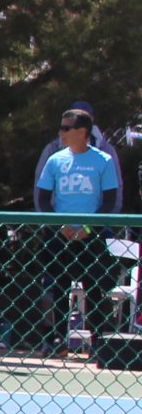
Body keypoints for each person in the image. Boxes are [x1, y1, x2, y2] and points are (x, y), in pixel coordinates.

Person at [34, 106, 123, 353]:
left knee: (95, 288)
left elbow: (109, 200)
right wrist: (60, 226)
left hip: (91, 237)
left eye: (66, 128)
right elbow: (42, 198)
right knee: (55, 288)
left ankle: (98, 343)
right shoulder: (55, 160)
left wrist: (87, 227)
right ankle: (54, 341)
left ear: (82, 131)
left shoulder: (103, 160)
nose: (61, 132)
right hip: (60, 236)